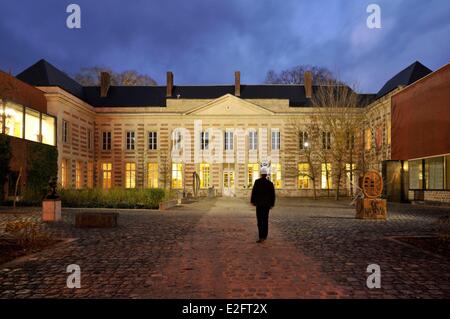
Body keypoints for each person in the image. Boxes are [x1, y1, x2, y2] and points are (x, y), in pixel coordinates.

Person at [250, 166, 276, 243]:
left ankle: (261, 236)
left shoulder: (257, 182)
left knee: (259, 220)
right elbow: (273, 195)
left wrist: (253, 201)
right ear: (266, 174)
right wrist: (272, 204)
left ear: (261, 174)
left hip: (259, 204)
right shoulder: (270, 183)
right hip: (267, 205)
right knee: (265, 220)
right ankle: (264, 236)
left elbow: (254, 192)